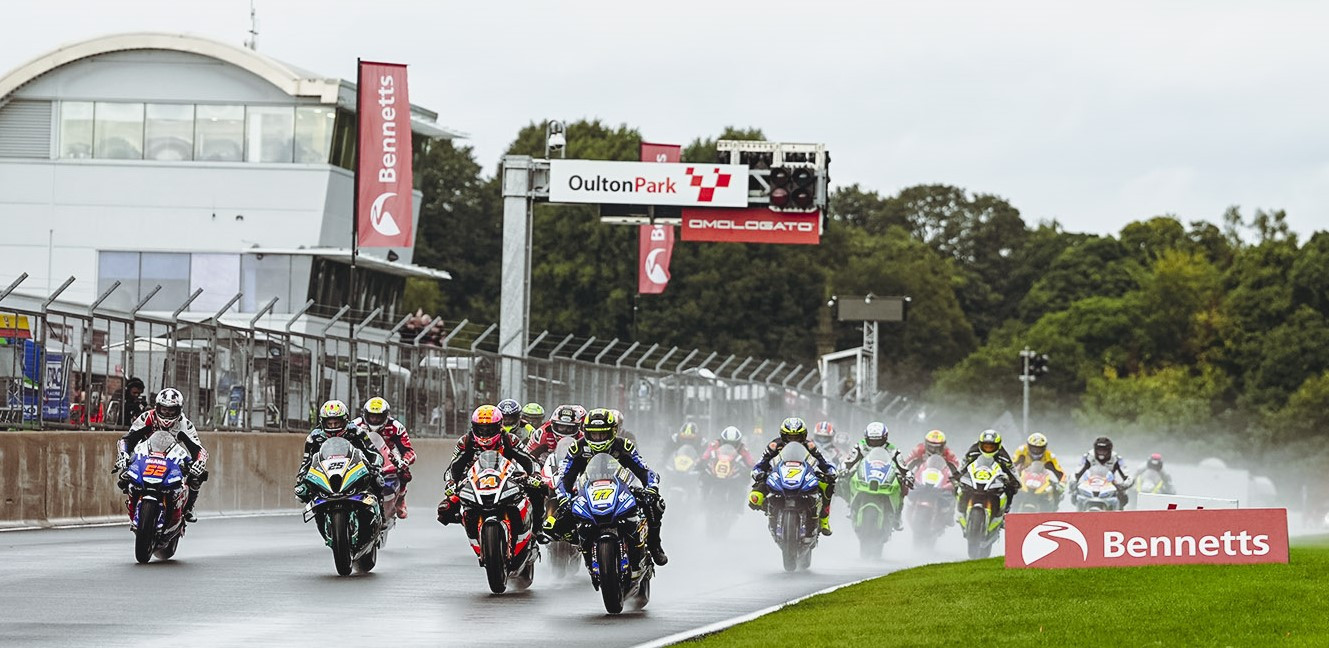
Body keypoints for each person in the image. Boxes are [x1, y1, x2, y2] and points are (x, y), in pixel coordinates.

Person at [545, 408, 669, 565]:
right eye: (594, 434)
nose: (598, 438)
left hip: (621, 490)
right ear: (586, 432)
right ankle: (580, 546)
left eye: (603, 434)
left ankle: (654, 545)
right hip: (587, 492)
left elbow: (645, 471)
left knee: (655, 504)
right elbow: (564, 477)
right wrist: (564, 497)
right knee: (553, 525)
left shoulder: (624, 445)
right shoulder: (577, 448)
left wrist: (651, 488)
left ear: (613, 431)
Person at [437, 405, 544, 529]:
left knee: (537, 490)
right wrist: (451, 482)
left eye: (489, 429)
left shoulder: (510, 439)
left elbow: (530, 461)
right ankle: (469, 523)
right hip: (474, 480)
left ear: (499, 426)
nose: (485, 433)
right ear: (473, 427)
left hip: (507, 478)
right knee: (445, 510)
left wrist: (535, 475)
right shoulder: (465, 442)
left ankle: (537, 530)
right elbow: (453, 467)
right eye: (481, 429)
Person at [116, 388, 208, 522]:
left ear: (179, 410)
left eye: (172, 410)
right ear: (157, 407)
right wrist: (123, 454)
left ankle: (189, 507)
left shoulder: (184, 424)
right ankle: (133, 504)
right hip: (146, 453)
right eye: (164, 409)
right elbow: (127, 439)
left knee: (197, 476)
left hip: (172, 456)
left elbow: (198, 449)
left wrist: (199, 462)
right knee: (125, 474)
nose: (167, 414)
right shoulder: (147, 417)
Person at [748, 417, 837, 536]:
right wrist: (758, 472)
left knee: (828, 485)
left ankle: (824, 521)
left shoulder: (810, 446)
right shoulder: (774, 445)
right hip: (779, 474)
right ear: (783, 436)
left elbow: (824, 462)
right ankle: (768, 506)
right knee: (757, 492)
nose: (793, 440)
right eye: (790, 437)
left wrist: (831, 472)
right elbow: (760, 463)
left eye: (797, 437)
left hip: (804, 474)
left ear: (803, 436)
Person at [295, 400, 385, 503]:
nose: (333, 427)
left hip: (353, 471)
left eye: (336, 423)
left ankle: (380, 510)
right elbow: (306, 461)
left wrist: (375, 466)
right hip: (326, 475)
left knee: (377, 480)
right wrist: (301, 477)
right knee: (302, 492)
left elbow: (373, 452)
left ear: (344, 420)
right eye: (329, 423)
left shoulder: (356, 431)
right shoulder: (314, 437)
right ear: (323, 422)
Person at [839, 422, 913, 530]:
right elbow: (849, 461)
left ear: (885, 438)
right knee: (845, 479)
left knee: (902, 485)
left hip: (885, 476)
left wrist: (908, 476)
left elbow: (903, 467)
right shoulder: (860, 446)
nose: (875, 443)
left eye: (878, 440)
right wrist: (843, 469)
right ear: (866, 437)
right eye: (872, 440)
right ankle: (851, 505)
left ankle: (897, 515)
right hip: (863, 473)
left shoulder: (892, 450)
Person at [352, 396, 416, 519]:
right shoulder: (355, 425)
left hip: (388, 456)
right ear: (365, 415)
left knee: (404, 473)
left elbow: (409, 451)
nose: (375, 419)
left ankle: (400, 499)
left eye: (378, 416)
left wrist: (404, 461)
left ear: (386, 416)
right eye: (372, 416)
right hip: (361, 455)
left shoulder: (396, 427)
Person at [956, 429, 1020, 515]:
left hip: (995, 475)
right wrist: (958, 474)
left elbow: (1012, 469)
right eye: (985, 446)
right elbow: (964, 463)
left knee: (1010, 487)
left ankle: (1006, 508)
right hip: (978, 473)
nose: (988, 449)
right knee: (958, 485)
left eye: (991, 447)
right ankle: (960, 506)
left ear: (998, 445)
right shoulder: (973, 450)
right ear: (980, 444)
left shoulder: (1003, 455)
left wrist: (1015, 481)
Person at [1072, 436, 1132, 509]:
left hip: (1109, 485)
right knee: (1076, 494)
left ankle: (1118, 516)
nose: (1101, 453)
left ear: (1109, 450)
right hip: (1090, 484)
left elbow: (1127, 475)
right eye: (1099, 450)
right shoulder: (1088, 456)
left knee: (1122, 497)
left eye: (1104, 451)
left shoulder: (1117, 458)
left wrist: (1124, 485)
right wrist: (1074, 482)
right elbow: (1077, 472)